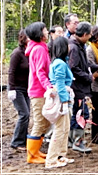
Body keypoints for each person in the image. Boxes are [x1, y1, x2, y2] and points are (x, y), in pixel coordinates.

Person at [68, 22, 98, 152]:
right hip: (78, 87)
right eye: (89, 34)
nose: (90, 36)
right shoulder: (73, 48)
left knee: (78, 113)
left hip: (82, 86)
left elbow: (84, 64)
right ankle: (77, 141)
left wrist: (95, 67)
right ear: (84, 34)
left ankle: (74, 140)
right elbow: (73, 68)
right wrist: (89, 77)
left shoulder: (80, 46)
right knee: (81, 113)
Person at [25, 22, 53, 164]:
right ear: (40, 34)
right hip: (38, 91)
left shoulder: (40, 48)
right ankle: (31, 155)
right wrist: (48, 87)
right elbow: (40, 72)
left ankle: (36, 151)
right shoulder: (39, 50)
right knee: (39, 122)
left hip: (40, 90)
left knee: (45, 122)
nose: (48, 32)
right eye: (45, 30)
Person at [45, 36, 74, 169]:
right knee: (59, 129)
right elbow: (60, 84)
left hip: (63, 96)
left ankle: (61, 155)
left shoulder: (61, 62)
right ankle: (51, 159)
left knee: (65, 128)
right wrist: (65, 101)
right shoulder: (60, 64)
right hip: (61, 98)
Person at [8, 29, 30, 151]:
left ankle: (24, 140)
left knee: (27, 114)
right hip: (17, 88)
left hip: (26, 88)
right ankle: (16, 142)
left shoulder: (29, 52)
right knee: (24, 114)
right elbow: (11, 71)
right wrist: (11, 88)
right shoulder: (17, 53)